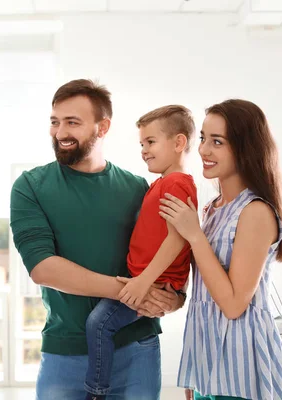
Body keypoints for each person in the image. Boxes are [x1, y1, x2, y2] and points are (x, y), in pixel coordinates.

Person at [10, 79, 186, 400]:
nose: (60, 132)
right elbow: (43, 269)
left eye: (72, 122)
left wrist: (175, 298)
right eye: (55, 121)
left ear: (102, 127)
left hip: (137, 350)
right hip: (66, 352)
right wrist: (132, 291)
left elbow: (172, 248)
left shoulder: (137, 188)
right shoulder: (31, 186)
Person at [159, 99, 282, 400]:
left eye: (217, 142)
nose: (204, 150)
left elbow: (234, 304)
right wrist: (175, 299)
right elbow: (206, 292)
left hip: (245, 371)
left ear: (245, 148)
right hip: (208, 369)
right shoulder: (211, 210)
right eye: (203, 139)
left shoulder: (255, 212)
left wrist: (194, 236)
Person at [84, 105, 198, 400]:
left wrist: (144, 281)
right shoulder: (160, 183)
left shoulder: (176, 182)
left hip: (151, 282)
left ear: (178, 143)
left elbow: (177, 239)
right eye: (142, 144)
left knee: (99, 323)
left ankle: (96, 393)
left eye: (151, 142)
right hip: (145, 279)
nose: (144, 150)